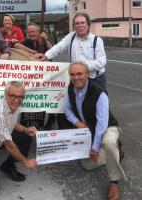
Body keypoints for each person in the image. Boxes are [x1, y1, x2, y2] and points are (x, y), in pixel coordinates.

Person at [64, 61, 126, 200]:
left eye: (79, 73)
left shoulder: (99, 92)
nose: (76, 77)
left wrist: (95, 147)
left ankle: (114, 182)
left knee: (108, 142)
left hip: (107, 126)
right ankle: (116, 153)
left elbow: (102, 123)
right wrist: (77, 121)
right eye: (72, 74)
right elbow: (67, 109)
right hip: (88, 128)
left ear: (87, 74)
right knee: (86, 165)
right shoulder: (71, 88)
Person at [34, 12, 107, 90]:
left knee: (96, 101)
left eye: (82, 23)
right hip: (77, 78)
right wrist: (46, 55)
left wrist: (82, 68)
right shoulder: (71, 37)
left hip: (95, 79)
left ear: (88, 25)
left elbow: (101, 61)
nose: (80, 26)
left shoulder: (97, 40)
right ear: (74, 26)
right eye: (77, 23)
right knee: (77, 101)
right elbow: (59, 47)